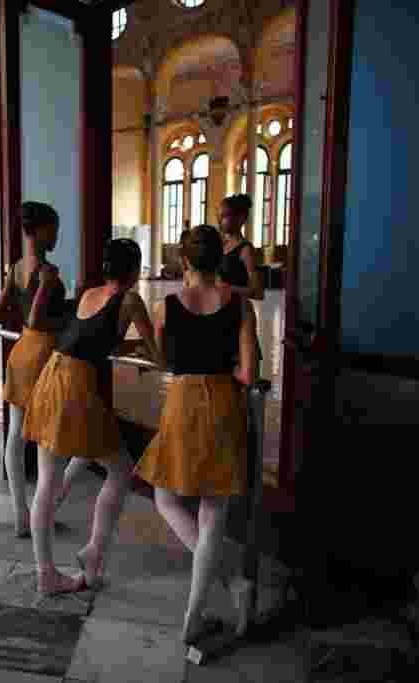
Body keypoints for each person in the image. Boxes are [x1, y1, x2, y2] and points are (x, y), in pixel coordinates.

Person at [134, 224, 257, 646]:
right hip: (224, 400)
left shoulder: (167, 306)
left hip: (183, 402)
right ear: (218, 260)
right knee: (213, 513)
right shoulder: (239, 305)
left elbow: (165, 361)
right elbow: (249, 373)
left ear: (184, 261)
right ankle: (206, 603)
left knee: (165, 497)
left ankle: (217, 595)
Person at [21, 238, 162, 596]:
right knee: (120, 469)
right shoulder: (130, 299)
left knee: (47, 482)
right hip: (76, 388)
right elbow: (158, 355)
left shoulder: (88, 293)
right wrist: (151, 353)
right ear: (134, 269)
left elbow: (93, 337)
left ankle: (46, 572)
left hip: (52, 376)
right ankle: (94, 549)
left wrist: (126, 348)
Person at [0, 202, 89, 538]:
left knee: (16, 434)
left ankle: (22, 514)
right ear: (41, 230)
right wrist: (71, 309)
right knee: (49, 440)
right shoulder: (47, 272)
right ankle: (42, 515)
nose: (57, 235)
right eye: (55, 229)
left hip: (20, 353)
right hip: (43, 355)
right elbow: (36, 318)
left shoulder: (16, 268)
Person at [217, 194, 263, 369]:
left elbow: (258, 291)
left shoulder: (246, 250)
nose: (221, 221)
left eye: (226, 216)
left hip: (239, 317)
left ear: (241, 218)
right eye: (219, 216)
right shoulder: (221, 247)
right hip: (220, 315)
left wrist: (228, 288)